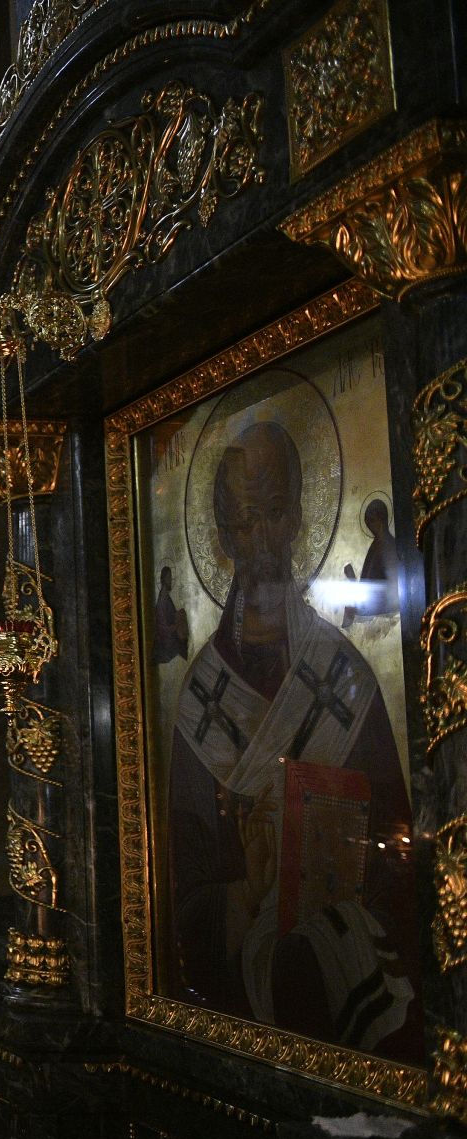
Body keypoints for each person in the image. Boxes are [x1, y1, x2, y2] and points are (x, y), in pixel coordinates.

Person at [169, 420, 419, 1059]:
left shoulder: (345, 677)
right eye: (247, 520)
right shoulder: (201, 698)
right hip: (238, 1020)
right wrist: (246, 894)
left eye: (276, 513)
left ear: (300, 517)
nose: (264, 539)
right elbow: (180, 902)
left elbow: (403, 856)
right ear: (223, 536)